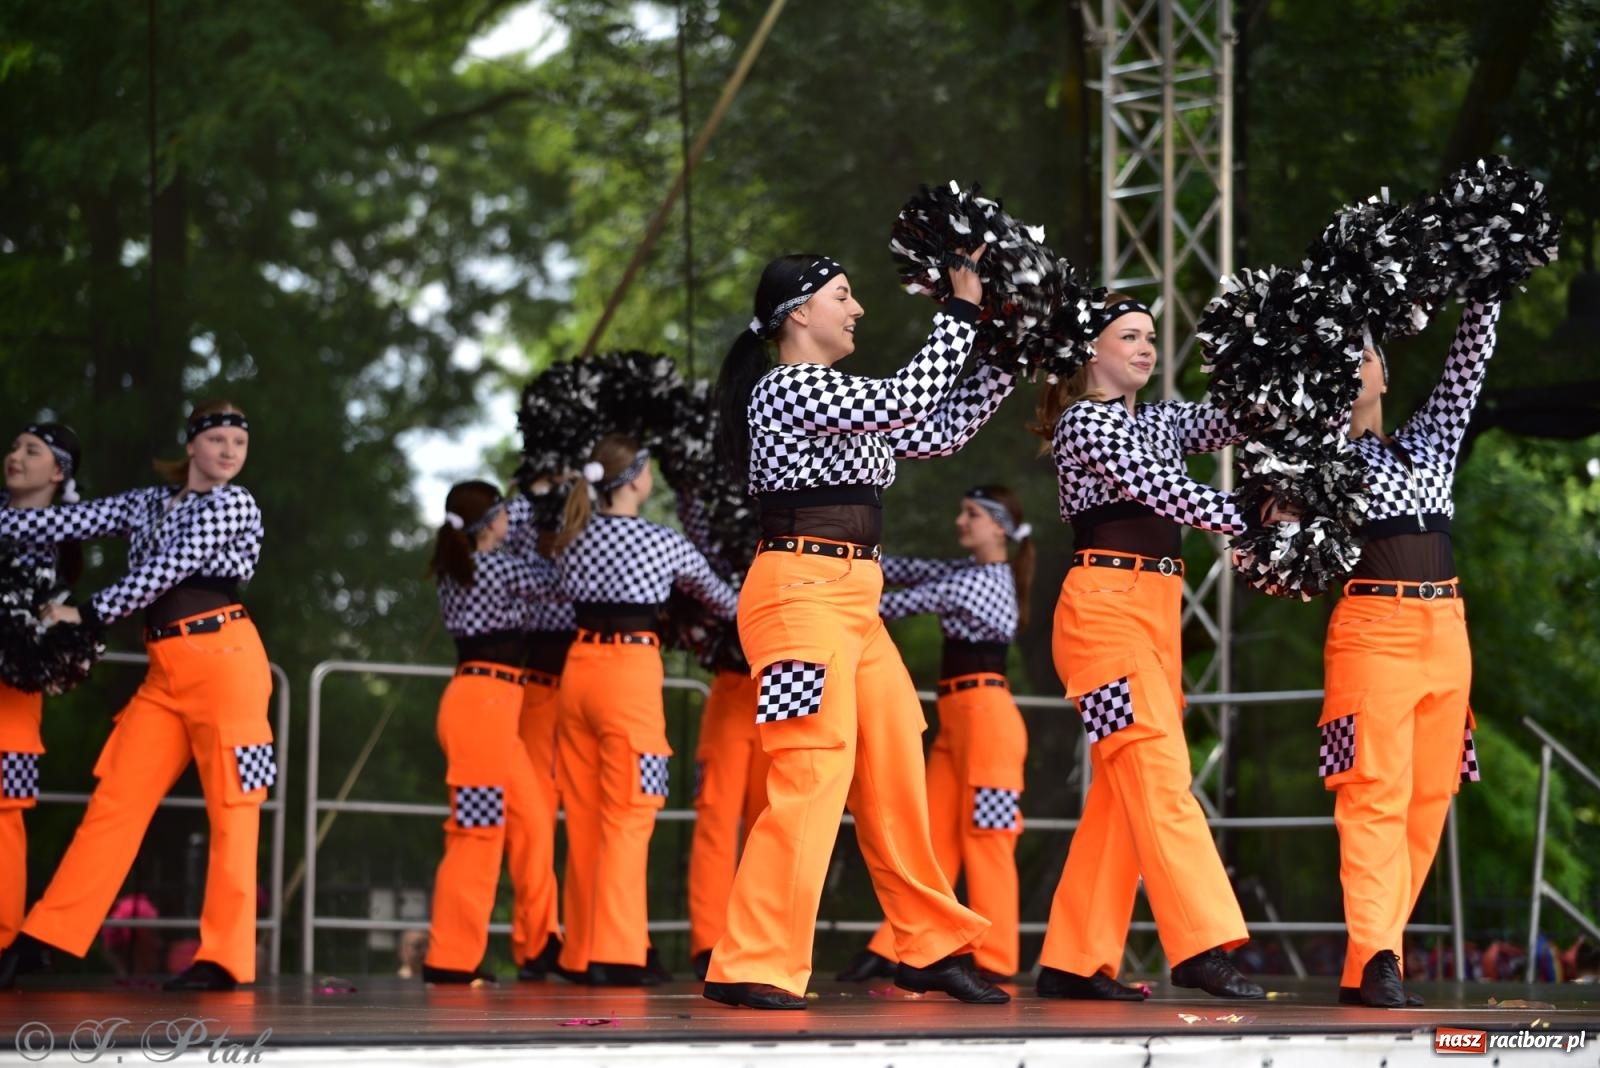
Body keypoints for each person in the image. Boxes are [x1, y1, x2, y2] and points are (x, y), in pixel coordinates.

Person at [704, 249, 1016, 1010]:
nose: (859, 310)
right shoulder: (788, 386)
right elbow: (910, 396)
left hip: (854, 600)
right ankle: (751, 960)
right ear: (799, 312)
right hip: (798, 597)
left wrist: (1009, 352)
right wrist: (964, 310)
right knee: (811, 772)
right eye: (845, 296)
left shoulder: (840, 399)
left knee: (894, 767)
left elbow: (935, 429)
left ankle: (928, 943)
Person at [1032, 296, 1279, 1002]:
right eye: (1129, 336)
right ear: (1090, 352)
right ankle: (1201, 943)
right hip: (1103, 618)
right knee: (1161, 776)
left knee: (1122, 791)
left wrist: (1294, 371)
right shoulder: (1084, 423)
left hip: (1156, 617)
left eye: (1150, 337)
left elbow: (1236, 420)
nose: (1146, 347)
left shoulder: (1162, 418)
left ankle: (1073, 959)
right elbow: (1161, 489)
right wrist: (1254, 520)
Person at [0, 402, 272, 992]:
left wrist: (86, 612)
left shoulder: (234, 503)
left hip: (227, 662)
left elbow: (165, 572)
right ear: (192, 445)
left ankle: (225, 956)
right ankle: (45, 936)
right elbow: (54, 524)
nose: (229, 452)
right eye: (217, 439)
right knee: (116, 799)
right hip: (165, 669)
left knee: (234, 811)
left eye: (238, 443)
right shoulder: (148, 502)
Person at [1322, 301, 1500, 1007]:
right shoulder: (1319, 459)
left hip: (1448, 630)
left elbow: (1467, 366)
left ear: (1385, 374)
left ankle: (1374, 954)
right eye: (1337, 354)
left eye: (1361, 351)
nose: (1350, 362)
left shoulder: (1429, 440)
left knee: (1430, 797)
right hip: (1372, 628)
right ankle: (1378, 960)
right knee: (1373, 796)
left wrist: (1485, 288)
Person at [551, 435, 739, 985]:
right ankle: (619, 952)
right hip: (629, 677)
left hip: (576, 672)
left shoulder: (571, 539)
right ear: (635, 480)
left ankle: (581, 953)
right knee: (632, 814)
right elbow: (723, 602)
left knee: (585, 821)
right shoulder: (662, 542)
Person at [839, 485, 1034, 984]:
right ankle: (898, 945)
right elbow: (911, 569)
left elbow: (902, 600)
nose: (959, 521)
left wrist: (840, 585)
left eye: (971, 514)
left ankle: (996, 957)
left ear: (999, 528)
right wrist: (854, 555)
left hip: (988, 722)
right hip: (959, 719)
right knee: (932, 836)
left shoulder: (982, 582)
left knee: (987, 838)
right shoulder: (969, 573)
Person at [420, 479, 561, 984]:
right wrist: (541, 503)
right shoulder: (496, 565)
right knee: (477, 833)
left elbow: (513, 532)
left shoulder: (463, 564)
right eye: (502, 512)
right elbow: (554, 579)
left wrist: (528, 497)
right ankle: (451, 957)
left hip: (492, 705)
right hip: (482, 708)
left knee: (532, 825)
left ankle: (540, 941)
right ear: (490, 522)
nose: (510, 518)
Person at [0, 423, 84, 950]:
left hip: (13, 695)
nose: (15, 456)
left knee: (5, 813)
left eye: (32, 451)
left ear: (58, 472)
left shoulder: (60, 537)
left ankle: (4, 943)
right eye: (13, 447)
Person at [501, 482, 572, 980]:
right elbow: (498, 527)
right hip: (539, 690)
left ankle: (591, 941)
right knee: (531, 822)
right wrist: (537, 485)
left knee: (602, 824)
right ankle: (537, 937)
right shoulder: (518, 542)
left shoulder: (600, 536)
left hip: (593, 688)